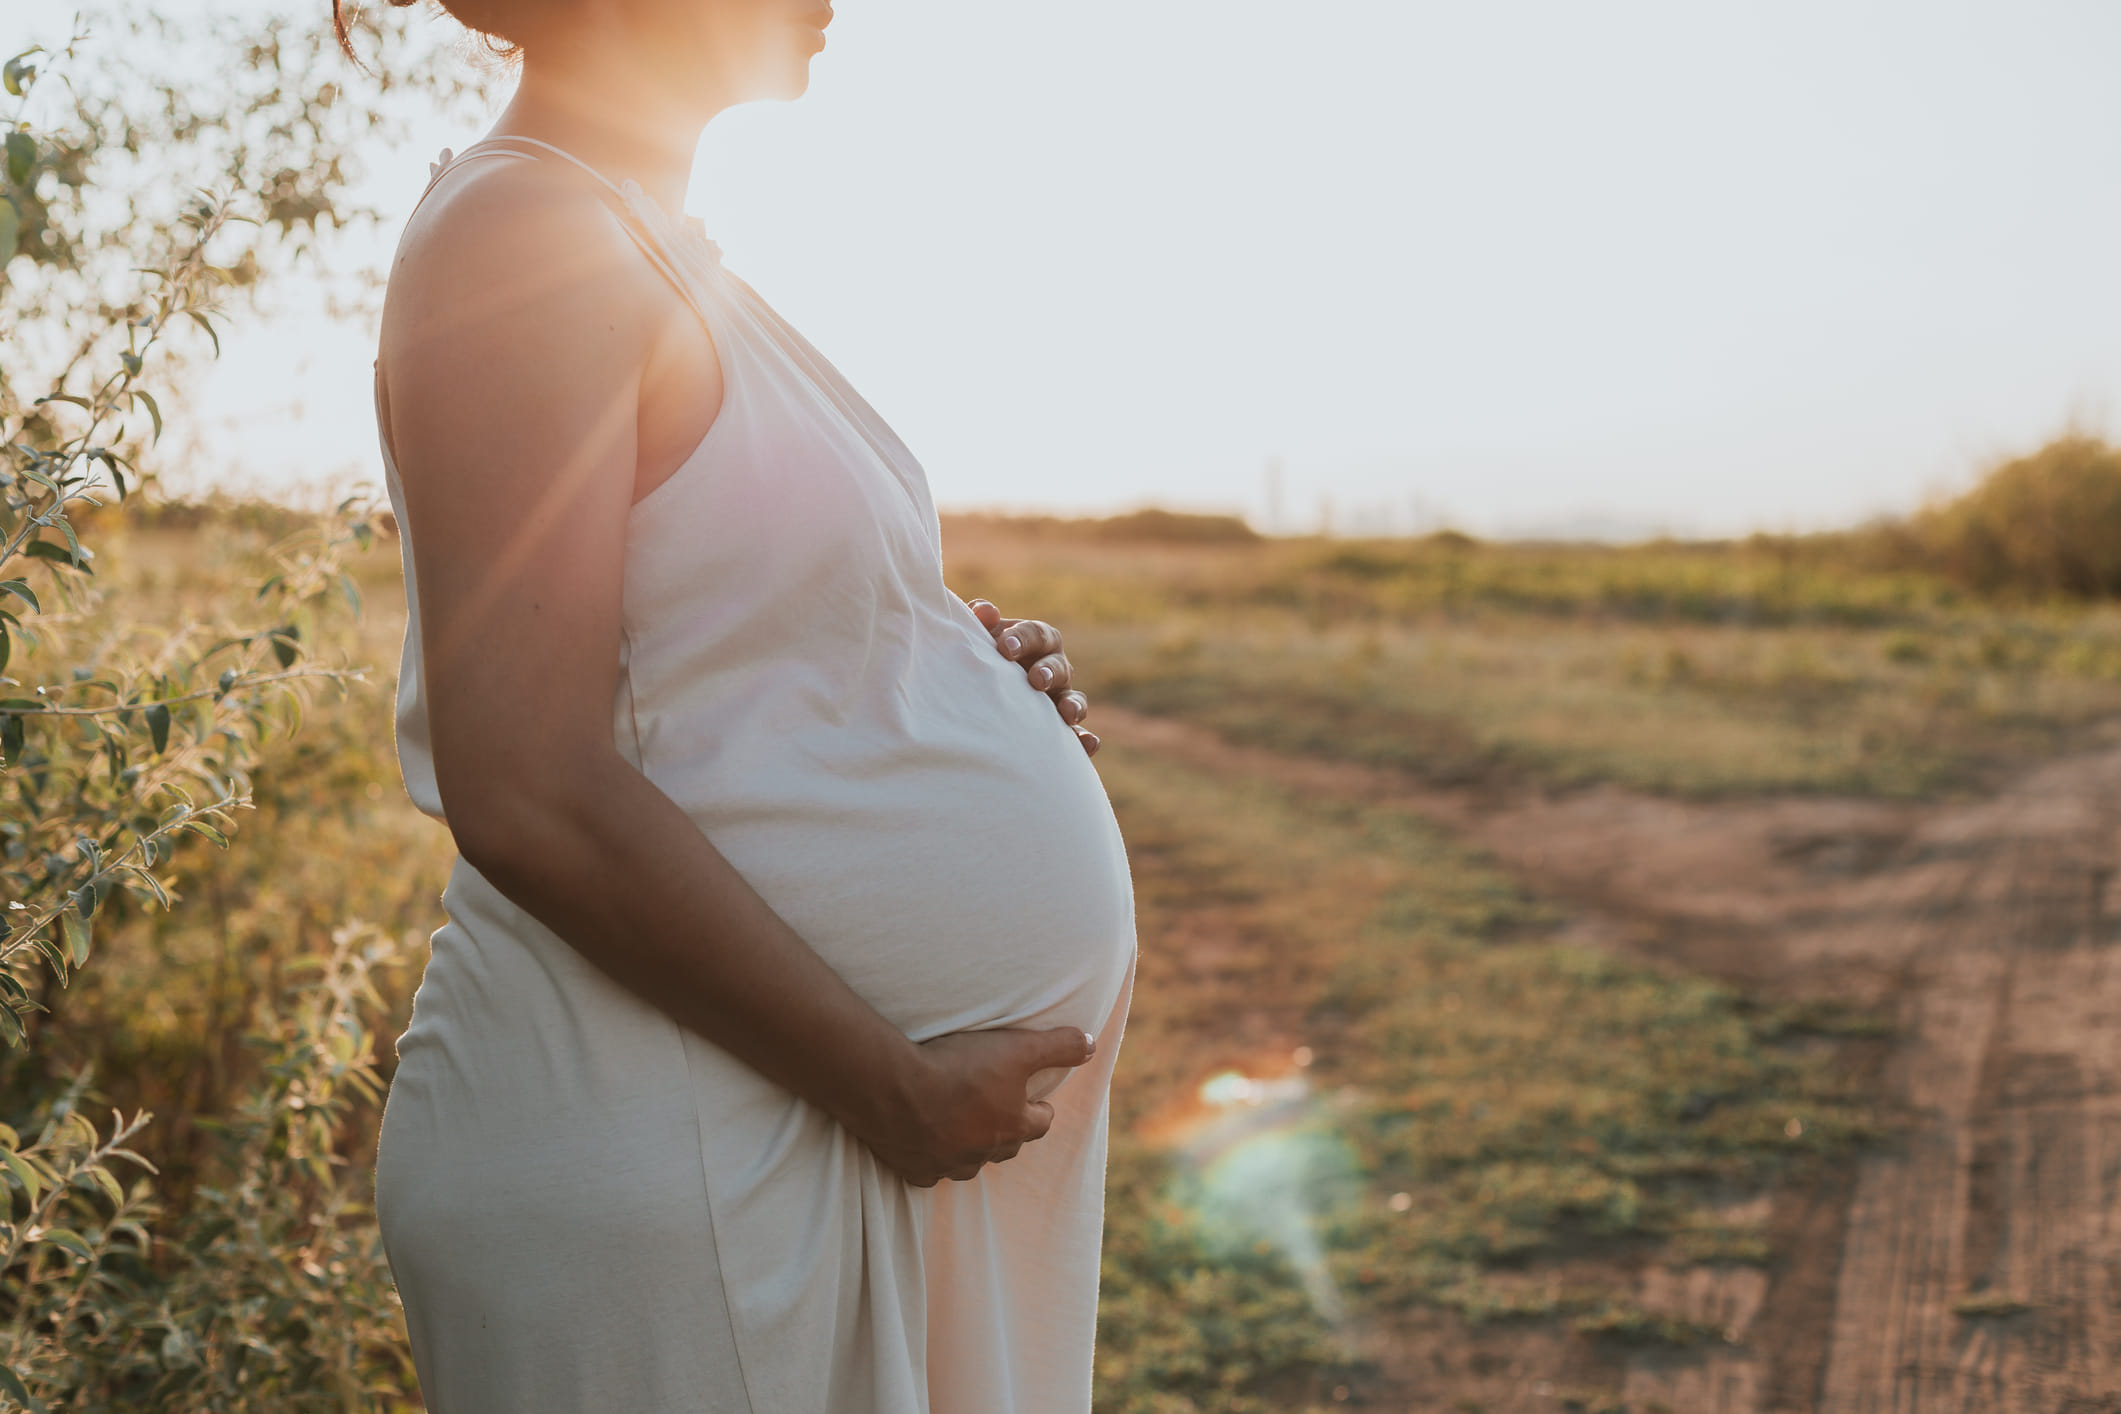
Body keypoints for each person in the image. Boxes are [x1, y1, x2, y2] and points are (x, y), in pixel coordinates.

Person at [342, 0, 1140, 1409]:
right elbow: (520, 777)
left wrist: (938, 677)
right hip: (675, 1163)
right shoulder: (521, 238)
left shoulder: (642, 242)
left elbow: (709, 648)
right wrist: (885, 1081)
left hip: (763, 1145)